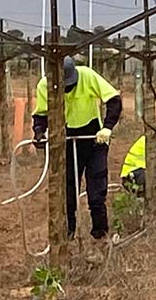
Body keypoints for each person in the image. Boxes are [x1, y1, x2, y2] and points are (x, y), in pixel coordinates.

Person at [32, 57, 124, 240]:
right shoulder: (44, 85)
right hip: (65, 140)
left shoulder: (88, 76)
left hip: (94, 140)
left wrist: (107, 127)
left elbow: (113, 99)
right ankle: (68, 234)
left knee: (96, 191)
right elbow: (41, 114)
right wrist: (39, 132)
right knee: (67, 191)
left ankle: (100, 234)